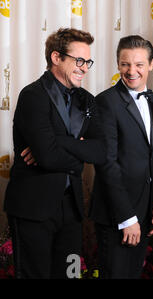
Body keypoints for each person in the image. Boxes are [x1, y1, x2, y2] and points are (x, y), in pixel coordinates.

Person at [4, 28, 105, 278]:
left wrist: (58, 141)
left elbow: (101, 150)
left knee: (69, 275)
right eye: (78, 60)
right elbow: (48, 157)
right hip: (33, 209)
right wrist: (80, 151)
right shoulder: (33, 96)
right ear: (56, 58)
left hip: (71, 209)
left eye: (87, 62)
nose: (84, 68)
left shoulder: (88, 101)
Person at [90, 35, 153, 279]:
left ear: (151, 64)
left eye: (139, 64)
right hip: (118, 216)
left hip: (144, 212)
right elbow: (106, 164)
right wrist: (126, 217)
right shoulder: (106, 102)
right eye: (125, 64)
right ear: (117, 64)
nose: (131, 71)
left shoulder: (152, 99)